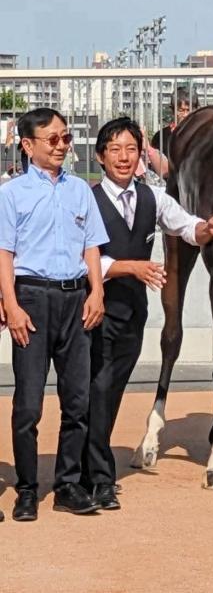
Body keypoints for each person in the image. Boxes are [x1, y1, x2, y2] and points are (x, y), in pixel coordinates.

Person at [81, 117, 213, 510]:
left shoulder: (152, 198)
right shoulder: (86, 200)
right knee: (94, 389)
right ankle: (97, 476)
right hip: (92, 309)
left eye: (131, 149)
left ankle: (90, 468)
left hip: (133, 313)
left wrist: (208, 229)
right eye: (115, 150)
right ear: (100, 156)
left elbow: (186, 227)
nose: (124, 157)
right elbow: (80, 259)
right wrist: (131, 267)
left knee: (110, 390)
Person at [0, 108, 109, 521]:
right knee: (28, 404)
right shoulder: (11, 195)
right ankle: (27, 488)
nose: (63, 145)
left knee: (77, 399)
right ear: (28, 146)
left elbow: (91, 246)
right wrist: (10, 304)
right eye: (53, 139)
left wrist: (96, 290)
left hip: (74, 299)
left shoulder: (80, 190)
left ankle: (67, 484)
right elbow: (5, 255)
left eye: (65, 138)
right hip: (32, 299)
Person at [151, 87, 198, 158]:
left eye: (189, 110)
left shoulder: (205, 135)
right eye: (181, 110)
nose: (185, 115)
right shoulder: (160, 137)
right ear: (172, 110)